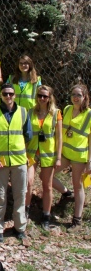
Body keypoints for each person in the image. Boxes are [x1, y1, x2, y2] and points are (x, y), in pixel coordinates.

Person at [0, 83, 32, 243]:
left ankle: (20, 228)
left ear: (15, 95)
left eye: (11, 94)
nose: (8, 96)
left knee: (20, 195)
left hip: (19, 162)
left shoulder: (23, 113)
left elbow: (29, 135)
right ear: (0, 96)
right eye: (5, 94)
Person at [52, 84, 91, 231]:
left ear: (85, 97)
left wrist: (89, 161)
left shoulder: (89, 114)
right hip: (65, 154)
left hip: (79, 156)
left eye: (79, 95)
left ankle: (77, 220)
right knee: (47, 176)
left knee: (78, 185)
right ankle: (66, 193)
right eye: (73, 94)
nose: (75, 97)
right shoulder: (67, 109)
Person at [25, 85, 62, 230]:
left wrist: (58, 157)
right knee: (28, 182)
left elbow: (59, 138)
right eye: (39, 95)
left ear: (50, 98)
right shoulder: (30, 112)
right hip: (32, 153)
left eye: (45, 96)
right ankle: (25, 211)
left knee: (47, 186)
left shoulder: (56, 113)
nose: (42, 98)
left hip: (48, 154)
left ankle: (46, 215)